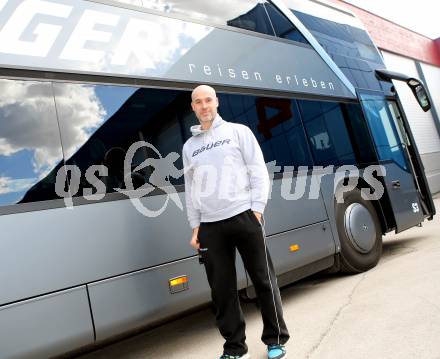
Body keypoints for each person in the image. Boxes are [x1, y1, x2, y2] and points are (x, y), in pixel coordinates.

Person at [182, 85, 289, 359]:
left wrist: (256, 210)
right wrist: (196, 226)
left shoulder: (238, 132)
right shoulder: (189, 147)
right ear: (192, 107)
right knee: (222, 291)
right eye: (198, 102)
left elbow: (258, 171)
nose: (204, 106)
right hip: (210, 227)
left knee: (263, 280)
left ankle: (275, 339)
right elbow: (192, 190)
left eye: (208, 100)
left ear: (216, 102)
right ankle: (235, 348)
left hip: (244, 216)